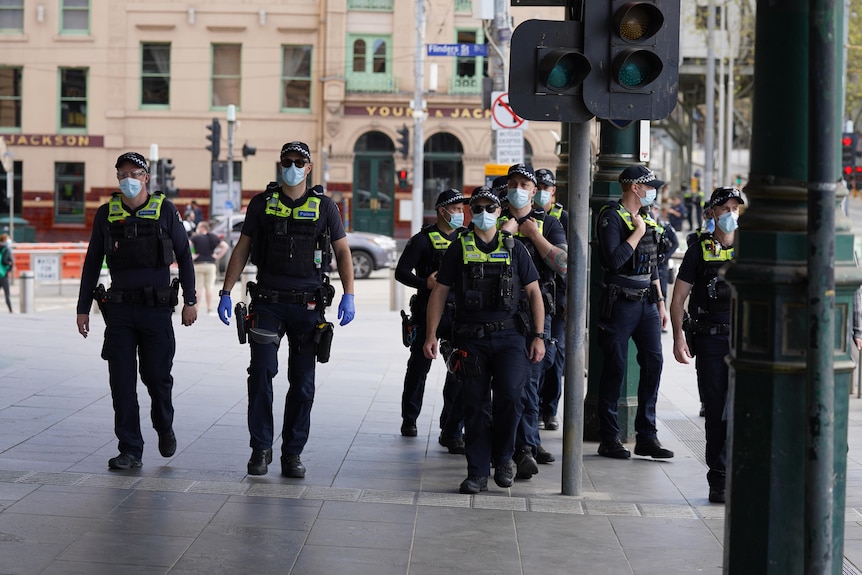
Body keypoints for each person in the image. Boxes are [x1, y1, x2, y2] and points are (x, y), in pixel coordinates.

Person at [217, 141, 355, 479]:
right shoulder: (262, 204)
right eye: (286, 161)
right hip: (268, 303)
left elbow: (342, 251)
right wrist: (225, 290)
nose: (291, 166)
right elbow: (243, 247)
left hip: (308, 307)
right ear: (280, 165)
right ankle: (260, 449)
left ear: (308, 168)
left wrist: (349, 294)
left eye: (298, 162)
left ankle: (292, 453)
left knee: (303, 384)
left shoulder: (325, 207)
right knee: (261, 375)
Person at [75, 152, 197, 470]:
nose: (128, 178)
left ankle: (163, 424)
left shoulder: (165, 211)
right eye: (122, 173)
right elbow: (91, 264)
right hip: (119, 313)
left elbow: (184, 257)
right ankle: (130, 448)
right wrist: (82, 309)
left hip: (156, 313)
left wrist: (190, 300)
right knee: (122, 383)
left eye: (134, 173)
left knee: (157, 378)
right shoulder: (106, 214)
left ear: (146, 177)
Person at [423, 187, 545, 494]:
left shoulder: (515, 248)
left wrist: (539, 336)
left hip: (510, 337)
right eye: (476, 207)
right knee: (475, 406)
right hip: (471, 339)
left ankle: (503, 458)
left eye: (489, 206)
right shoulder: (458, 248)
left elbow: (533, 293)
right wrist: (430, 335)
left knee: (511, 399)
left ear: (499, 211)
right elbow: (439, 292)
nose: (482, 212)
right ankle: (477, 472)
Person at [670, 186, 743, 504]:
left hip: (746, 342)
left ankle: (743, 474)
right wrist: (677, 336)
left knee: (745, 411)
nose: (731, 214)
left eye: (735, 208)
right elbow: (678, 298)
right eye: (724, 208)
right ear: (711, 213)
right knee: (717, 412)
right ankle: (720, 479)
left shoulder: (749, 247)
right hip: (713, 341)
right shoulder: (699, 250)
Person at [594, 165, 673, 460]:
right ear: (635, 188)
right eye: (649, 186)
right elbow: (613, 261)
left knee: (654, 363)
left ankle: (647, 436)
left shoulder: (647, 218)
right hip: (620, 301)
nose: (653, 191)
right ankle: (609, 437)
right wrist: (637, 232)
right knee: (615, 367)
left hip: (646, 303)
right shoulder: (610, 217)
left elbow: (652, 263)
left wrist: (661, 302)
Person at [500, 163, 567, 479]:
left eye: (525, 185)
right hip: (500, 313)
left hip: (537, 315)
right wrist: (505, 235)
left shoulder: (549, 222)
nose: (519, 189)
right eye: (513, 183)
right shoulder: (495, 221)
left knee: (531, 382)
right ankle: (510, 445)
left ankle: (525, 447)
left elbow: (564, 264)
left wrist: (534, 236)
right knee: (505, 386)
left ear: (534, 189)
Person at [394, 188, 468, 453]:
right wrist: (423, 283)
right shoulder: (422, 241)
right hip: (428, 312)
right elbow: (401, 272)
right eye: (457, 209)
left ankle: (450, 425)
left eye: (462, 209)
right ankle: (410, 419)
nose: (461, 214)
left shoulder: (466, 238)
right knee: (418, 368)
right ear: (442, 211)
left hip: (459, 314)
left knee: (458, 370)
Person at [534, 168, 568, 432]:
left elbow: (570, 263)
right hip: (538, 299)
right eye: (539, 186)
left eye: (547, 186)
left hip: (560, 300)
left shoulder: (562, 219)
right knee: (537, 358)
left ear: (553, 190)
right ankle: (534, 409)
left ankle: (550, 410)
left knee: (555, 357)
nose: (543, 190)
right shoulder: (521, 219)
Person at [191, 220, 229, 314]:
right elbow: (225, 246)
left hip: (198, 264)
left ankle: (196, 307)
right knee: (209, 287)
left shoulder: (195, 237)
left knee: (198, 288)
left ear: (201, 228)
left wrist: (192, 255)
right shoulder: (212, 237)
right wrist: (217, 256)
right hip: (210, 264)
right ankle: (209, 308)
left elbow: (187, 245)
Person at [650, 202, 679, 310]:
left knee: (662, 293)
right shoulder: (645, 225)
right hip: (649, 263)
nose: (652, 212)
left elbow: (675, 243)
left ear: (657, 211)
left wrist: (665, 257)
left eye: (654, 209)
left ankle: (661, 319)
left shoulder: (665, 227)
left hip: (661, 265)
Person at [0, 233, 13, 313]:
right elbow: (4, 261)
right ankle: (11, 310)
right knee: (7, 293)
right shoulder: (6, 249)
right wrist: (10, 263)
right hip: (3, 274)